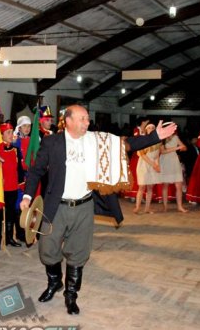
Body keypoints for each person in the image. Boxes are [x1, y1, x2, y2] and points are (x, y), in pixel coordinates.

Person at [20, 105, 176, 315]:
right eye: (82, 119)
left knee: (78, 252)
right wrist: (27, 197)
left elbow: (127, 144)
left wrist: (155, 136)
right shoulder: (52, 142)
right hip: (56, 206)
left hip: (84, 207)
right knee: (47, 248)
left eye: (87, 118)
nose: (87, 123)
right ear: (68, 121)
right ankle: (54, 282)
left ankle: (71, 295)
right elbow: (36, 171)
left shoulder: (96, 140)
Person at [0, 122, 22, 250]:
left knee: (11, 212)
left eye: (12, 132)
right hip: (0, 187)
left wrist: (21, 183)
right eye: (8, 132)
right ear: (1, 135)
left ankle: (9, 238)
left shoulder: (15, 150)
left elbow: (19, 168)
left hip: (13, 186)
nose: (11, 135)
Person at [133, 124, 161, 214]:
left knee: (150, 187)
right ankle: (137, 207)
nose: (151, 129)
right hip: (143, 164)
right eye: (149, 128)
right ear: (146, 130)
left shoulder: (157, 141)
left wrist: (157, 165)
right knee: (141, 187)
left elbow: (157, 155)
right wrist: (154, 164)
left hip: (153, 165)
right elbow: (142, 155)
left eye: (153, 128)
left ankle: (147, 208)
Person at [159, 132, 188, 213]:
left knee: (179, 185)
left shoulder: (175, 137)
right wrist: (177, 148)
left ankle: (180, 206)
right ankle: (165, 206)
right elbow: (163, 151)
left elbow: (184, 147)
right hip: (165, 161)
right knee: (165, 185)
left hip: (174, 161)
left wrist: (183, 148)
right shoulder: (162, 137)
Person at [125, 117, 149, 202]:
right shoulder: (136, 130)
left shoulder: (146, 131)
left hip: (145, 155)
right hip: (137, 155)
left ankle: (141, 195)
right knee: (135, 174)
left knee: (143, 175)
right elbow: (136, 140)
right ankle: (133, 194)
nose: (148, 123)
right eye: (147, 122)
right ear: (143, 122)